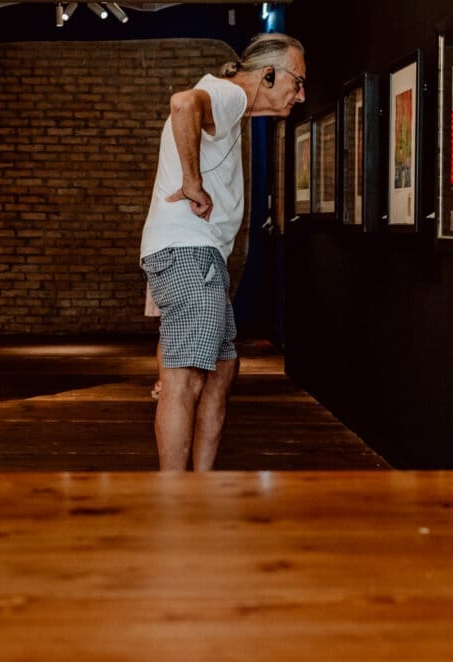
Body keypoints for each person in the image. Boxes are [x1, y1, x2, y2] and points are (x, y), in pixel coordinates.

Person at [139, 32, 306, 471]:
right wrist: (192, 183)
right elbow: (181, 104)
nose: (300, 95)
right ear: (268, 74)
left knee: (222, 370)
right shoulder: (229, 93)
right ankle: (175, 499)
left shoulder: (231, 107)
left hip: (195, 254)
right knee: (185, 379)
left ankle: (201, 483)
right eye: (298, 81)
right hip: (189, 251)